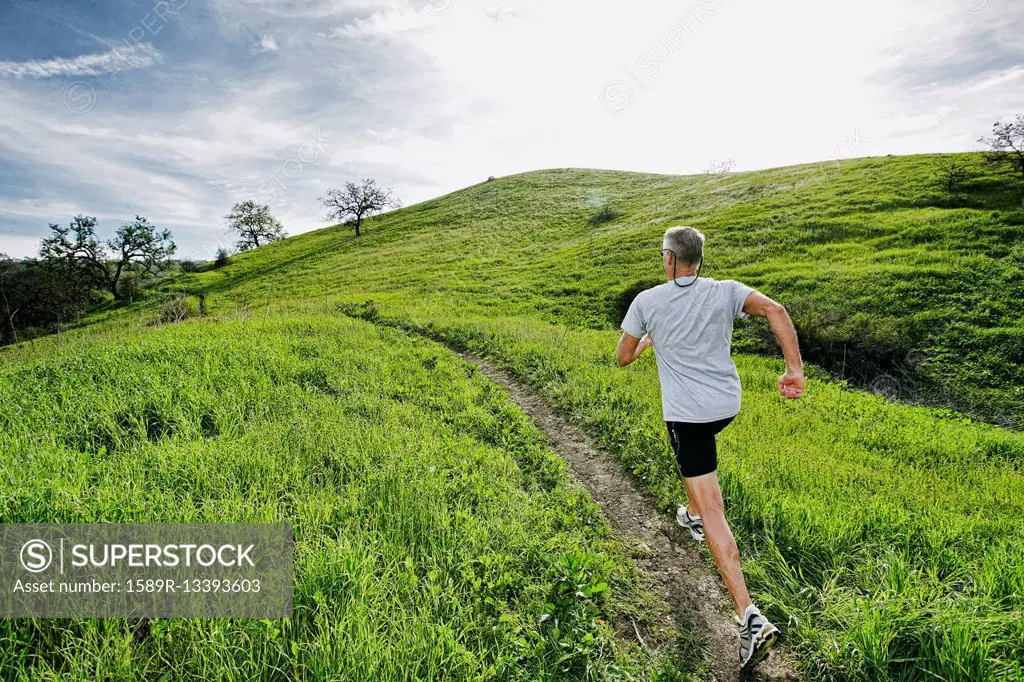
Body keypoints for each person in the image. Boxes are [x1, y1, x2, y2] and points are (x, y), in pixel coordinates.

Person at [616, 225, 805, 670]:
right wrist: (793, 370)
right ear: (698, 259)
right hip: (726, 405)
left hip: (690, 415)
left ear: (668, 259)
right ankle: (693, 513)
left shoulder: (648, 301)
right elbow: (776, 311)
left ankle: (749, 617)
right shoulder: (726, 291)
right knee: (680, 442)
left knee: (711, 500)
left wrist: (645, 340)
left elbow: (622, 357)